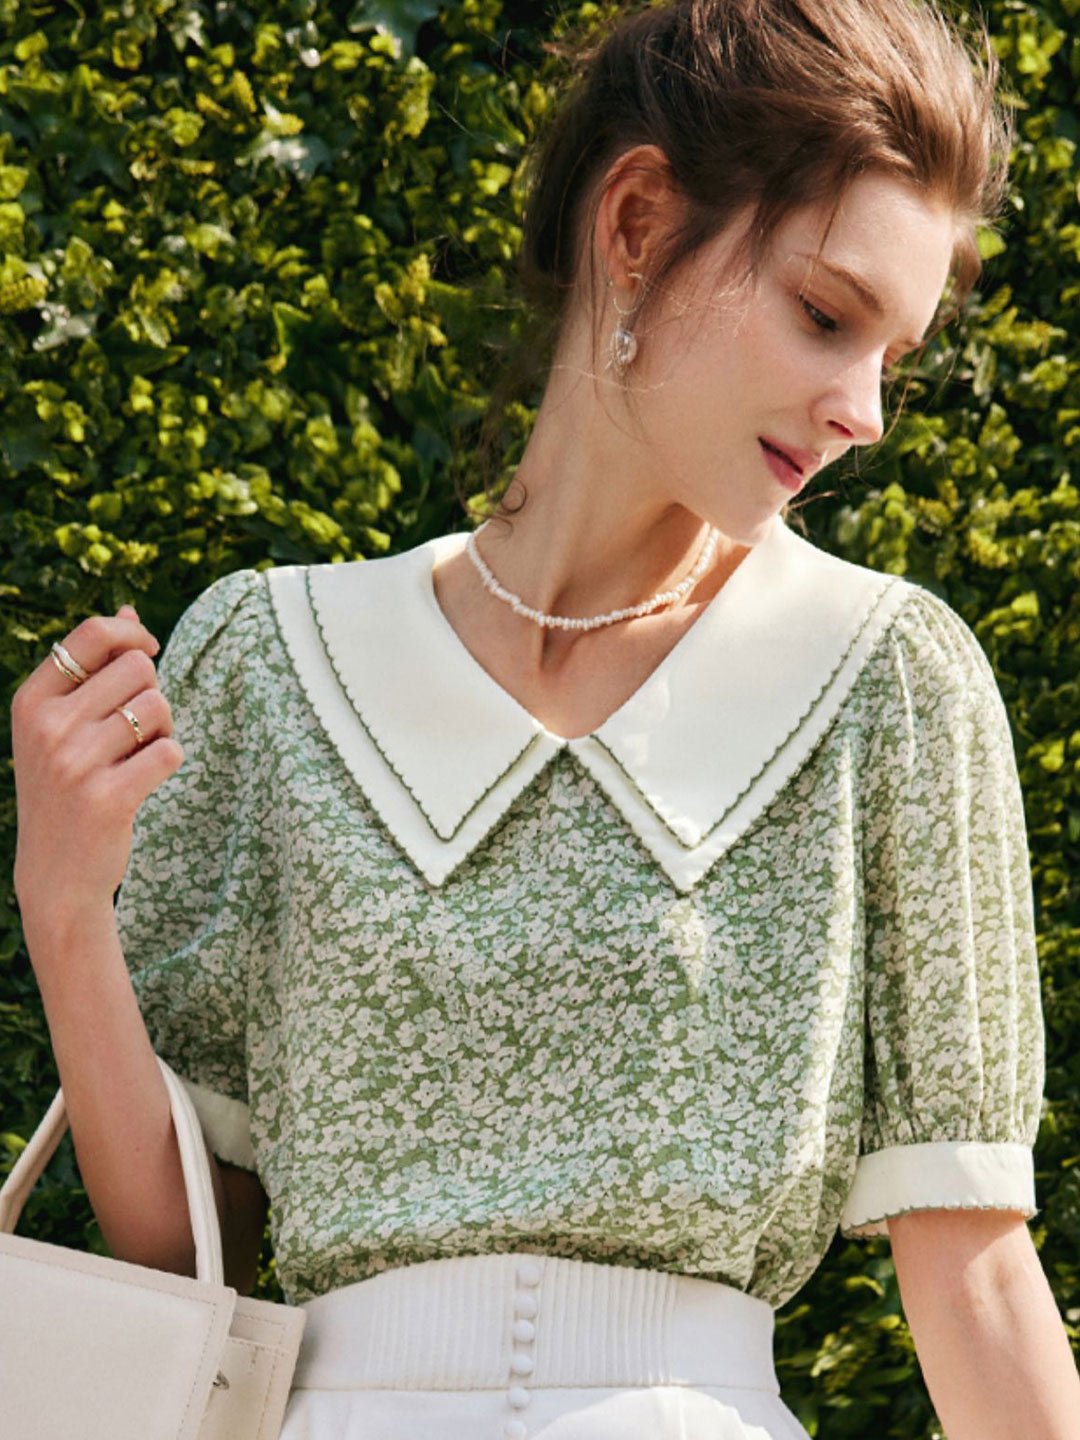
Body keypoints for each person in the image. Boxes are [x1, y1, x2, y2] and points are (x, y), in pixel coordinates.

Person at [12, 1, 1077, 1437]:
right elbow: (188, 1244)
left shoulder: (888, 684)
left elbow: (976, 1279)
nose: (865, 411)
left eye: (892, 352)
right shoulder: (273, 661)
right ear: (636, 223)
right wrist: (64, 903)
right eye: (827, 316)